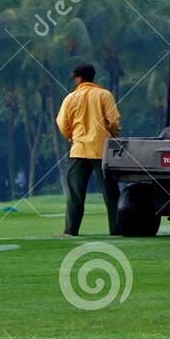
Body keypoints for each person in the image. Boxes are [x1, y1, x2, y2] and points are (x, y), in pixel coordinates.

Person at [55, 62, 122, 236]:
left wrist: (72, 136)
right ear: (93, 77)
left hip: (79, 150)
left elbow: (62, 123)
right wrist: (112, 135)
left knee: (75, 194)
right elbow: (114, 121)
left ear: (78, 79)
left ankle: (71, 230)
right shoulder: (104, 95)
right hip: (102, 150)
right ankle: (116, 228)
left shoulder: (70, 98)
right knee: (110, 193)